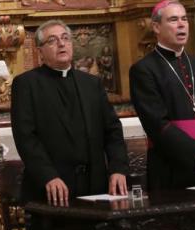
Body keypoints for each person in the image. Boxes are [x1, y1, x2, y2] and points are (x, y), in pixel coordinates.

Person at [11, 20, 127, 206]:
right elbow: (26, 137)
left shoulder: (91, 84)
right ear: (40, 51)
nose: (61, 43)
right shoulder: (26, 84)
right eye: (52, 40)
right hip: (52, 189)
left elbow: (112, 130)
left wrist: (118, 169)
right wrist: (48, 176)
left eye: (65, 38)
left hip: (95, 187)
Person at [129, 0, 195, 189]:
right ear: (156, 27)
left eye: (184, 19)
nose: (182, 24)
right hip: (171, 169)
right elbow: (156, 124)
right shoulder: (144, 70)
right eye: (173, 19)